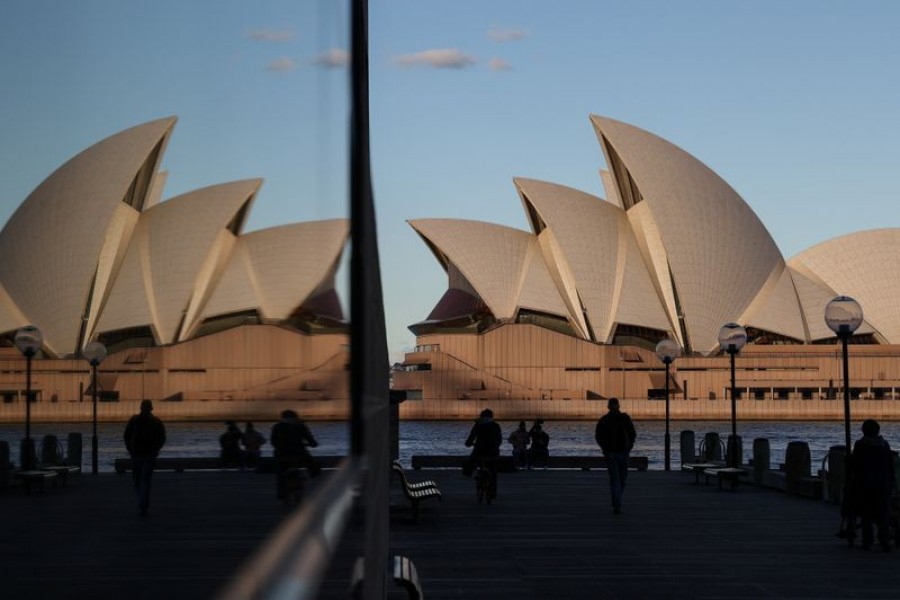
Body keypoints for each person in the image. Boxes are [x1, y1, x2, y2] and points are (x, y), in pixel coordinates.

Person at [851, 419, 894, 551]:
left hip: (865, 484)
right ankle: (884, 540)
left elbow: (854, 465)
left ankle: (867, 541)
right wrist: (891, 483)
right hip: (882, 484)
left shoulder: (860, 445)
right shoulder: (884, 445)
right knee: (883, 515)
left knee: (866, 514)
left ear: (864, 431)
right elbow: (890, 466)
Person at [123, 400, 166, 516]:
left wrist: (129, 448)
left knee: (138, 479)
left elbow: (126, 435)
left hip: (137, 453)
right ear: (151, 408)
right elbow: (162, 438)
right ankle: (144, 502)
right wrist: (156, 450)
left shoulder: (134, 420)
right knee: (145, 479)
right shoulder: (156, 421)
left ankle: (142, 502)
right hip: (148, 453)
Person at [594, 398, 636, 515]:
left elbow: (598, 436)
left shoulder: (607, 420)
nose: (614, 407)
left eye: (614, 405)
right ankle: (617, 502)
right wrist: (629, 446)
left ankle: (616, 500)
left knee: (618, 479)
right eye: (613, 405)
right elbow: (632, 433)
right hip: (617, 452)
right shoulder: (622, 419)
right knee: (620, 478)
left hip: (617, 452)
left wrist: (605, 449)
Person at [270, 410, 320, 503]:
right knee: (312, 464)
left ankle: (282, 495)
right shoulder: (300, 426)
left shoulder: (276, 427)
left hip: (282, 455)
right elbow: (310, 440)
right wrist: (313, 444)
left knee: (280, 474)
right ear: (295, 417)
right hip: (299, 454)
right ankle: (314, 475)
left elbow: (273, 442)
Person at [464, 408, 503, 497]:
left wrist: (468, 444)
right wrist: (496, 446)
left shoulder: (478, 425)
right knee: (493, 472)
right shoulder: (496, 425)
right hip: (493, 452)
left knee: (472, 460)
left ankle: (469, 473)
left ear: (481, 416)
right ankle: (493, 492)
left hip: (479, 451)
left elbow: (471, 437)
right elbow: (499, 439)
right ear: (491, 416)